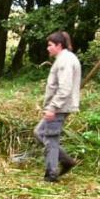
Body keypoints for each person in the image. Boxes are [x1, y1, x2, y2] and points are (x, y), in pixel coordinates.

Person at [35, 30, 81, 183]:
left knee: (50, 139)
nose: (48, 48)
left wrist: (53, 107)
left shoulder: (65, 61)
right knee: (39, 132)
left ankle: (51, 175)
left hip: (59, 107)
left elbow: (65, 88)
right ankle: (66, 161)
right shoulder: (64, 59)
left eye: (50, 45)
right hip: (59, 106)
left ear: (59, 45)